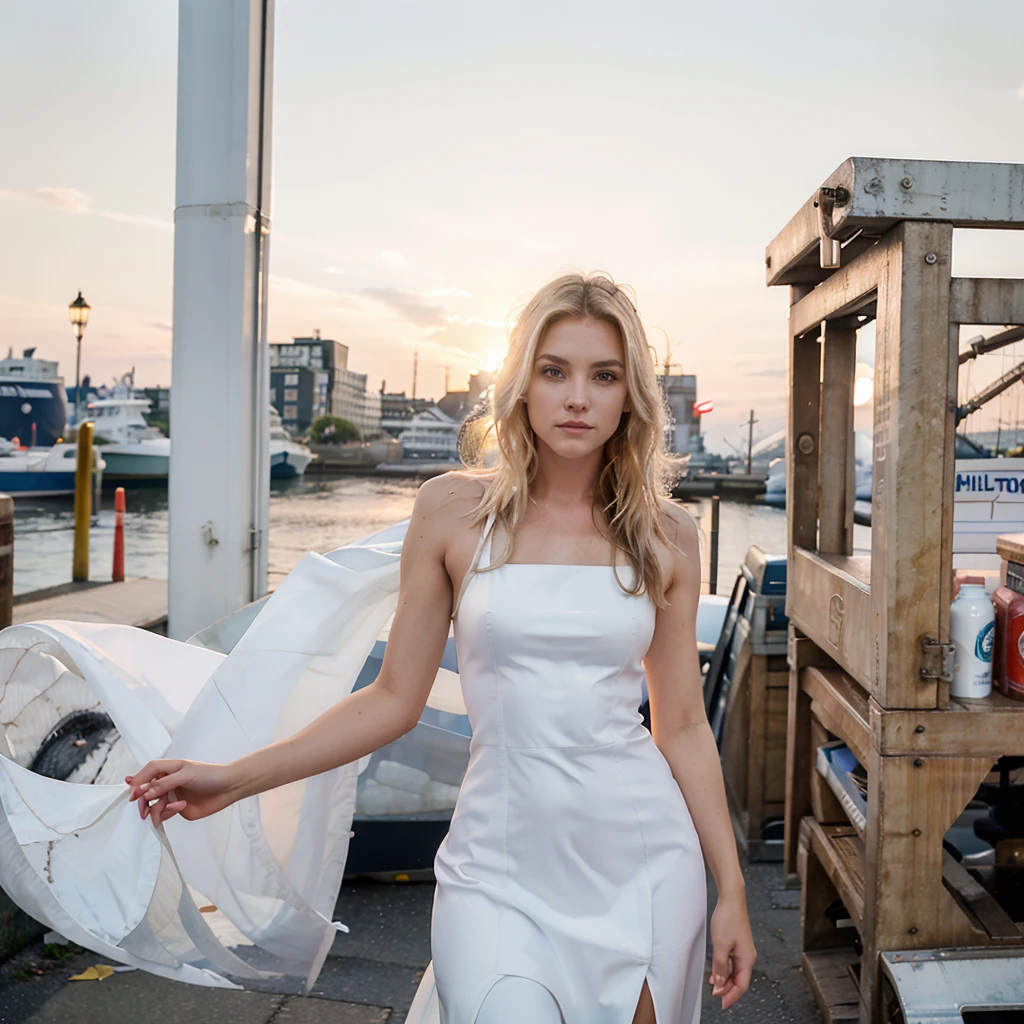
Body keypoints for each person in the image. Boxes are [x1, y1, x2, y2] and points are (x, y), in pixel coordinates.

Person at [126, 272, 756, 1023]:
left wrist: (734, 893)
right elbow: (394, 698)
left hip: (642, 863)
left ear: (631, 396)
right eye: (554, 371)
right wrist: (233, 779)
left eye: (604, 375)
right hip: (497, 865)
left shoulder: (666, 534)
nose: (577, 397)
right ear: (521, 382)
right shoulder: (454, 511)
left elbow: (680, 725)